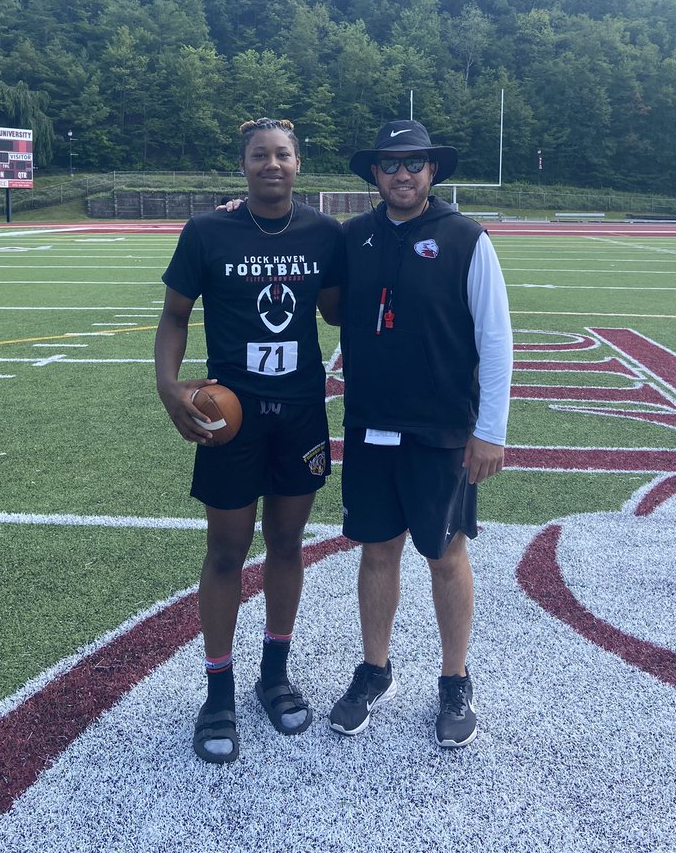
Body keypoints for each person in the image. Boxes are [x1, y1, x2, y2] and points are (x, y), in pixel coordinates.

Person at [155, 118, 343, 764]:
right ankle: (218, 691)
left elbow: (340, 309)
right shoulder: (209, 230)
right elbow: (174, 315)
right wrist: (167, 385)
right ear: (242, 164)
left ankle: (275, 674)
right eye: (259, 155)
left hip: (300, 414)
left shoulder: (324, 233)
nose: (271, 164)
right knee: (227, 552)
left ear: (298, 164)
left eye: (282, 154)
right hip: (229, 418)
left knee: (288, 544)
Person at [328, 119, 513, 749]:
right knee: (377, 550)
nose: (402, 174)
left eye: (415, 163)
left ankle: (454, 679)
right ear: (374, 174)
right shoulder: (351, 236)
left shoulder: (465, 238)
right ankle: (374, 670)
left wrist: (490, 432)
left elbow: (495, 339)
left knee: (445, 555)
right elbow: (292, 252)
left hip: (441, 431)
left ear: (433, 171)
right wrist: (241, 210)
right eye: (390, 164)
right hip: (369, 423)